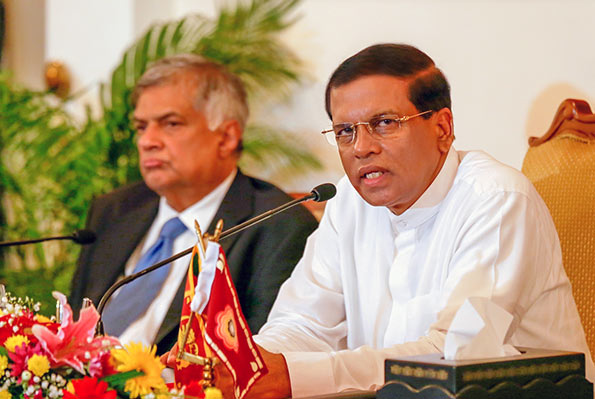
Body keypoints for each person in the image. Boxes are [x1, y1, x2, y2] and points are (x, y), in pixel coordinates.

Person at [170, 43, 592, 398]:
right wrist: (250, 366)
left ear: (442, 127)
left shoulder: (495, 198)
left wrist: (292, 376)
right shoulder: (346, 203)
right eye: (344, 132)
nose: (361, 148)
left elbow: (452, 355)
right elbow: (302, 324)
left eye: (384, 123)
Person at [70, 54, 318, 355]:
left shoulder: (276, 225)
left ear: (226, 137)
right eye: (141, 127)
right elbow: (74, 324)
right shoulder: (114, 210)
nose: (147, 141)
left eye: (170, 124)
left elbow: (261, 358)